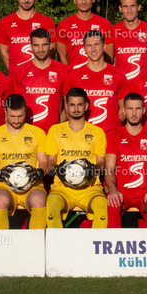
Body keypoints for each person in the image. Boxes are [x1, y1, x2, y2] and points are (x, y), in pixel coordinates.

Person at [46, 87, 107, 228]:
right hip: (62, 188)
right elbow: (50, 161)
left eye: (80, 104)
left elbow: (101, 163)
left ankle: (96, 242)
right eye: (72, 105)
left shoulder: (97, 132)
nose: (76, 109)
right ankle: (57, 242)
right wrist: (57, 169)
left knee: (102, 206)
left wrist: (92, 170)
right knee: (52, 206)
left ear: (86, 106)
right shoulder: (55, 130)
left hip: (90, 188)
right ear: (66, 107)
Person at [0, 94, 48, 229]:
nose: (16, 120)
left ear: (25, 111)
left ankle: (36, 241)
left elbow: (44, 163)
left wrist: (38, 172)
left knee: (39, 200)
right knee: (0, 201)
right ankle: (2, 241)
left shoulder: (37, 133)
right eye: (12, 116)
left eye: (20, 116)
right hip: (4, 185)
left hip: (32, 185)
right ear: (5, 111)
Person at [105, 93, 147, 228]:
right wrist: (112, 189)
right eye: (130, 109)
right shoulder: (114, 136)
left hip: (145, 191)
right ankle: (112, 241)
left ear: (144, 110)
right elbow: (109, 168)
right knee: (112, 204)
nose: (134, 113)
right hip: (121, 191)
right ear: (124, 110)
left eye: (138, 108)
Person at [62, 30, 128, 133]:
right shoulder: (74, 76)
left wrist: (111, 127)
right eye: (89, 45)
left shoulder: (118, 75)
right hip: (83, 135)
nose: (93, 49)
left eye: (97, 44)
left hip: (110, 135)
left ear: (104, 46)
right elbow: (68, 109)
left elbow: (124, 110)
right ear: (84, 49)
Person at [12, 28, 68, 133]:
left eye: (44, 45)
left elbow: (69, 103)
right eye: (36, 45)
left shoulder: (64, 70)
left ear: (50, 45)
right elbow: (15, 106)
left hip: (52, 133)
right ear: (31, 46)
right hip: (26, 132)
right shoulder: (20, 70)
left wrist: (59, 124)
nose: (40, 49)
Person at [0, 0, 56, 75]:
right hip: (15, 78)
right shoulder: (5, 22)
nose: (26, 0)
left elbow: (52, 50)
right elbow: (3, 52)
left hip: (40, 76)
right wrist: (15, 72)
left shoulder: (47, 22)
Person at [56, 0, 114, 67]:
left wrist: (99, 72)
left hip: (97, 74)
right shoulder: (64, 25)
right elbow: (61, 58)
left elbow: (109, 57)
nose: (84, 2)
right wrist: (69, 73)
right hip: (74, 74)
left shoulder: (104, 24)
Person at [112, 0, 147, 89]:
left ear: (139, 7)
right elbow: (109, 62)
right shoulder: (112, 31)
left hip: (145, 88)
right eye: (125, 6)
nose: (129, 10)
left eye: (132, 6)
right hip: (122, 88)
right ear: (120, 8)